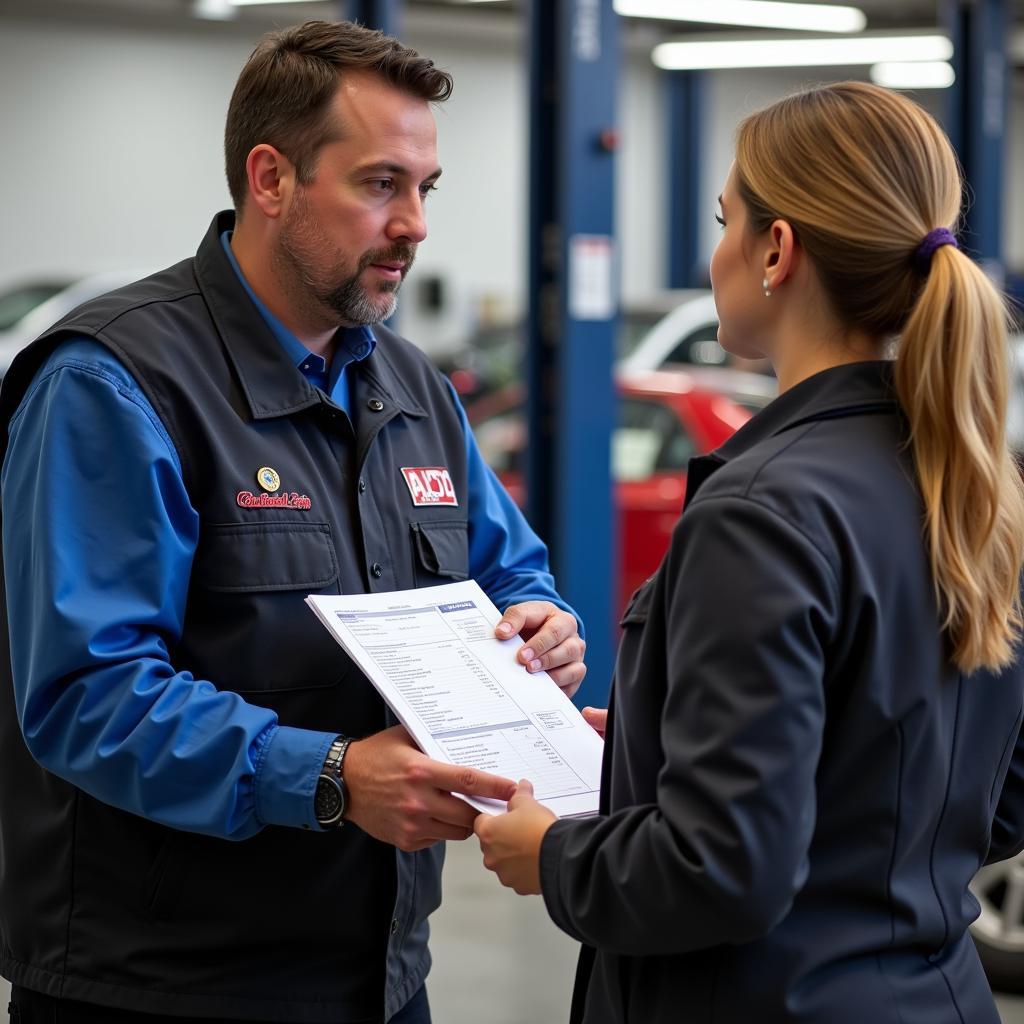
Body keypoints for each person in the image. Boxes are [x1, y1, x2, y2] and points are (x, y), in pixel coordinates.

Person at [0, 20, 585, 1024]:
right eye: (379, 184)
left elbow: (509, 571)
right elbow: (85, 691)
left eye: (424, 189)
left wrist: (541, 625)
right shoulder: (115, 384)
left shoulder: (409, 388)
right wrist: (327, 774)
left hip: (379, 974)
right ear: (269, 179)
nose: (414, 225)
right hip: (159, 985)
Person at [475, 81, 1024, 1024]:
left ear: (777, 252)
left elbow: (723, 869)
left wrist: (552, 855)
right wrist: (658, 748)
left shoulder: (763, 509)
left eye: (725, 219)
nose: (714, 250)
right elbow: (992, 793)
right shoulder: (969, 482)